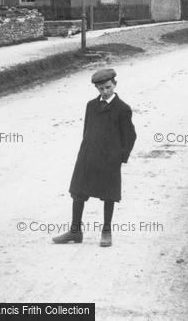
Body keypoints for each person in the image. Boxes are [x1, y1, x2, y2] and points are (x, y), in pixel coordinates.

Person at [52, 67, 137, 247]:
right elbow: (87, 131)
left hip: (109, 159)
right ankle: (75, 231)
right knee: (78, 192)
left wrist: (119, 158)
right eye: (101, 89)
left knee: (109, 195)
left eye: (108, 87)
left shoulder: (122, 109)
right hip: (88, 156)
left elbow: (130, 136)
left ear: (115, 84)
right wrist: (84, 151)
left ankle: (106, 231)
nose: (105, 91)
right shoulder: (91, 106)